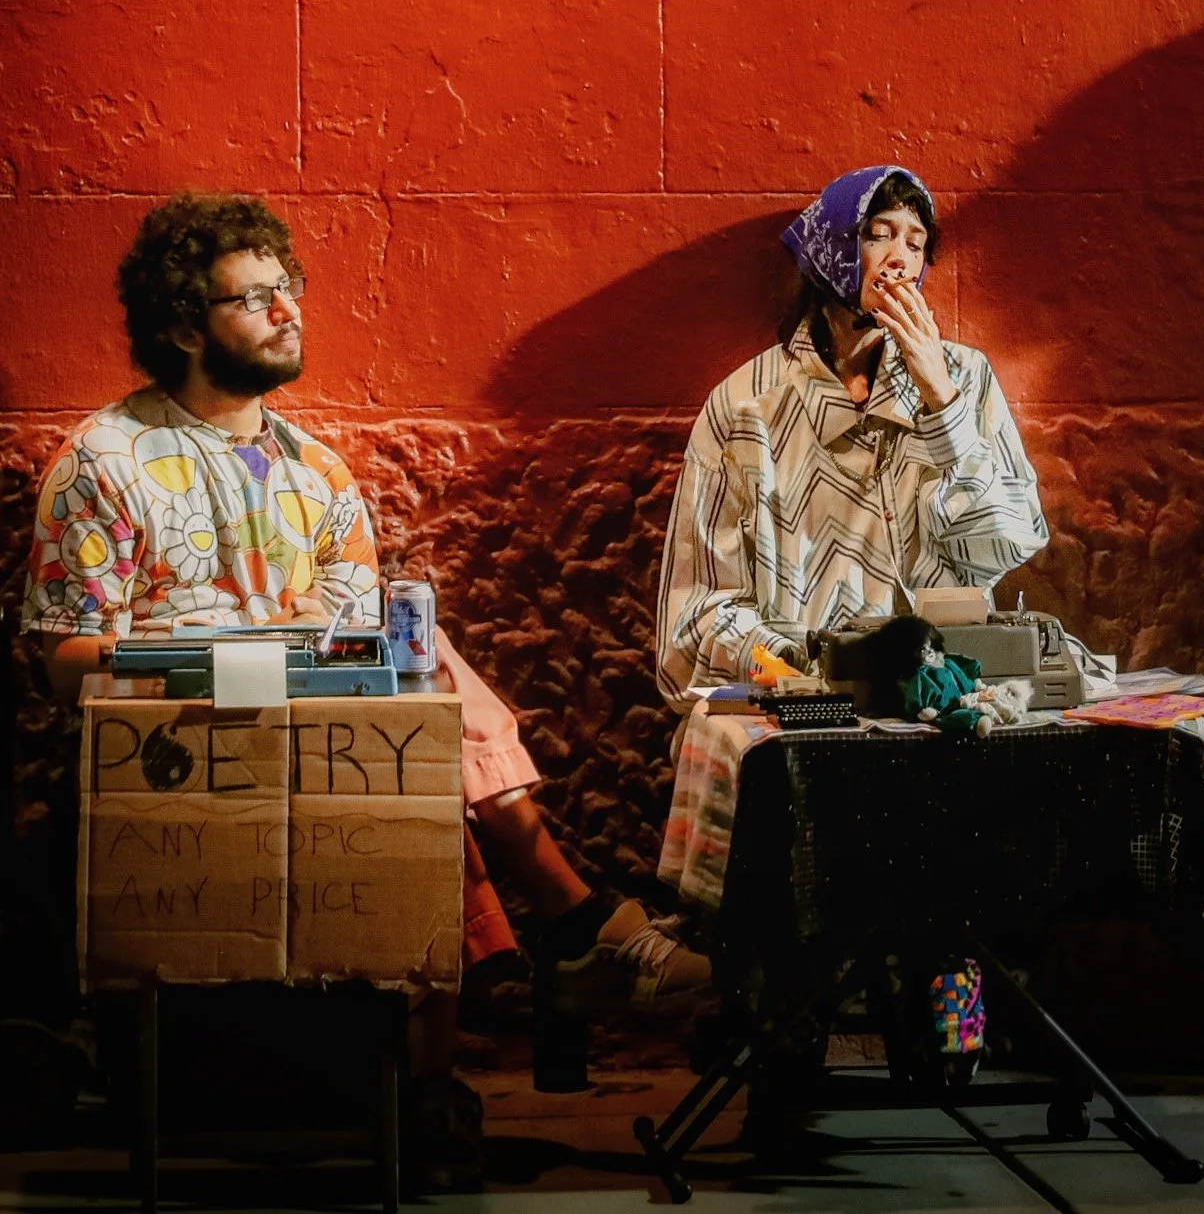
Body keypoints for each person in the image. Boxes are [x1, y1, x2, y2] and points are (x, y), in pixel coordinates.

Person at [22, 193, 708, 1036]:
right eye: (252, 298)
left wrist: (317, 648)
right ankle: (572, 924)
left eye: (289, 286)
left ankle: (536, 953)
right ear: (183, 327)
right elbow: (63, 665)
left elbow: (359, 646)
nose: (287, 311)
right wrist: (207, 649)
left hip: (323, 735)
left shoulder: (317, 471)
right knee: (408, 710)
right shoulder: (104, 460)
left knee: (418, 664)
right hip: (175, 741)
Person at [657, 162, 1049, 706]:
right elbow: (691, 622)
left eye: (916, 244)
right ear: (831, 251)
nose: (900, 260)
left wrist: (942, 403)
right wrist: (814, 662)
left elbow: (1008, 545)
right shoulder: (746, 407)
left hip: (943, 701)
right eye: (878, 235)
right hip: (808, 706)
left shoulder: (966, 380)